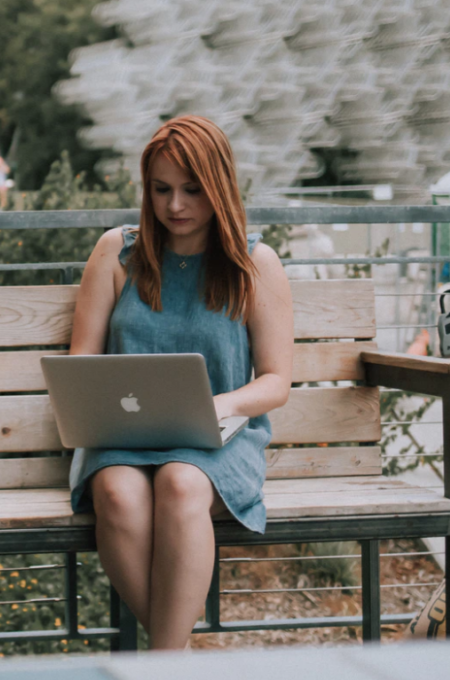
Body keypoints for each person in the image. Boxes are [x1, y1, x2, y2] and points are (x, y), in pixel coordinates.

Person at [67, 115, 294, 650]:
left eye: (192, 190)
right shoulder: (116, 254)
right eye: (161, 190)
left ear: (220, 185)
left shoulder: (254, 264)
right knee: (118, 496)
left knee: (180, 482)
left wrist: (214, 404)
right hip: (120, 440)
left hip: (216, 441)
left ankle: (164, 664)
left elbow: (277, 381)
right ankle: (177, 661)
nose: (175, 206)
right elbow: (81, 364)